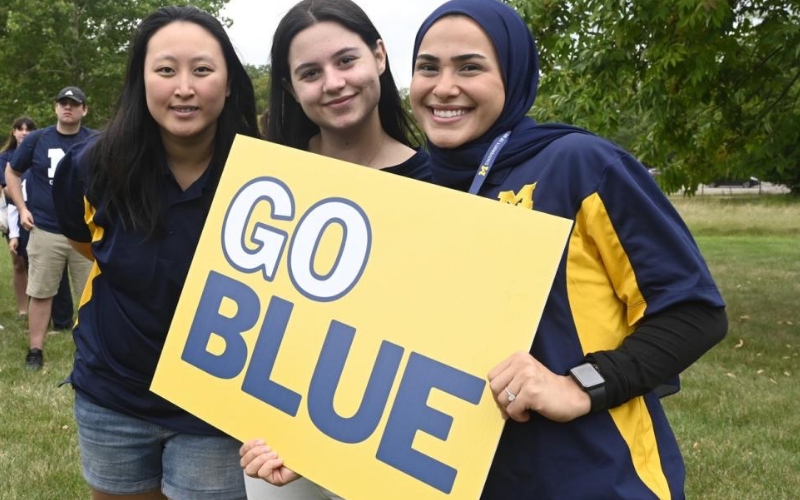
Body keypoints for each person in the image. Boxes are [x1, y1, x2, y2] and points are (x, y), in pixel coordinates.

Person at [407, 0, 728, 498]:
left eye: (470, 67)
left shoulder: (580, 164)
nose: (444, 86)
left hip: (598, 477)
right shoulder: (419, 192)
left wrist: (579, 384)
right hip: (464, 477)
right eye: (428, 67)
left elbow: (693, 311)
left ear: (512, 77)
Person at [51, 5, 259, 500]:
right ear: (140, 81)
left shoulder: (268, 178)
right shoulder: (90, 167)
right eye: (165, 70)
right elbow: (89, 244)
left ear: (228, 83)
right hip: (113, 395)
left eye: (202, 70)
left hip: (217, 408)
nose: (183, 87)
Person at [240, 0, 430, 498]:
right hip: (276, 445)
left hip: (394, 442)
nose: (333, 82)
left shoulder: (442, 185)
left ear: (380, 57)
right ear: (290, 89)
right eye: (310, 72)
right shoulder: (265, 183)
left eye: (347, 60)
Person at [5, 88, 94, 370]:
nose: (68, 108)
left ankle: (92, 353)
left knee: (92, 295)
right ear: (56, 108)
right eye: (63, 103)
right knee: (41, 292)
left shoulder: (95, 141)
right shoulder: (37, 139)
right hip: (46, 228)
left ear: (84, 110)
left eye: (74, 104)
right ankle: (35, 351)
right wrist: (22, 208)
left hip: (85, 233)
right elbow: (12, 171)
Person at [0, 116, 37, 319]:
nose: (24, 132)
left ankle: (37, 307)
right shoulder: (5, 157)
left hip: (37, 213)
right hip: (12, 213)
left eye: (28, 129)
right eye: (20, 128)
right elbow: (4, 189)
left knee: (37, 262)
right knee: (18, 262)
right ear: (13, 132)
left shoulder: (38, 153)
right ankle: (23, 309)